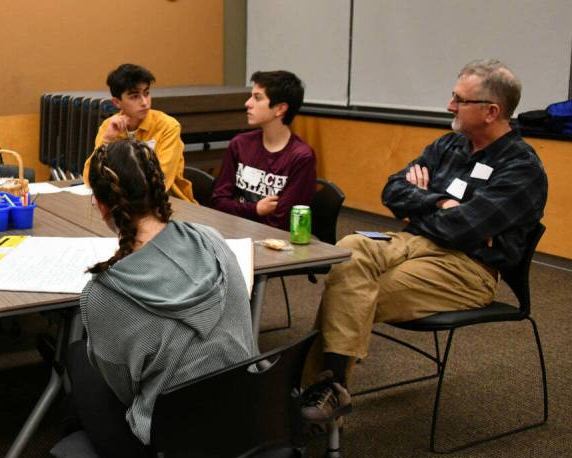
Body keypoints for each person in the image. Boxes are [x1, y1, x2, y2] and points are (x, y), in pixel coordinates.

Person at [302, 59, 548, 421]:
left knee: (352, 289)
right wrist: (439, 202)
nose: (450, 106)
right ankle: (332, 389)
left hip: (467, 268)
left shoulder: (522, 168)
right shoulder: (449, 145)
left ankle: (301, 395)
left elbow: (460, 229)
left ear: (491, 111)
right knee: (349, 251)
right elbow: (392, 190)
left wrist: (420, 205)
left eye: (459, 100)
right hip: (412, 243)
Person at [67, 139, 257, 458]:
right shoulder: (212, 239)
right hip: (251, 432)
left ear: (101, 204)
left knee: (78, 359)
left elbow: (122, 392)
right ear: (159, 188)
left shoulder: (104, 293)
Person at [211, 70, 316, 230]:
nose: (248, 103)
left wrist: (239, 211)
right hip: (232, 232)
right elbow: (218, 202)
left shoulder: (301, 157)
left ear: (280, 109)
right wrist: (256, 210)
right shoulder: (240, 144)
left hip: (275, 244)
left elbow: (282, 221)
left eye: (257, 98)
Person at [82, 64, 196, 203]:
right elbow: (90, 178)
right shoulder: (109, 126)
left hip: (168, 202)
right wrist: (107, 140)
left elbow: (161, 181)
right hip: (124, 203)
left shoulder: (168, 126)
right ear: (117, 102)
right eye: (135, 96)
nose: (144, 102)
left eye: (147, 93)